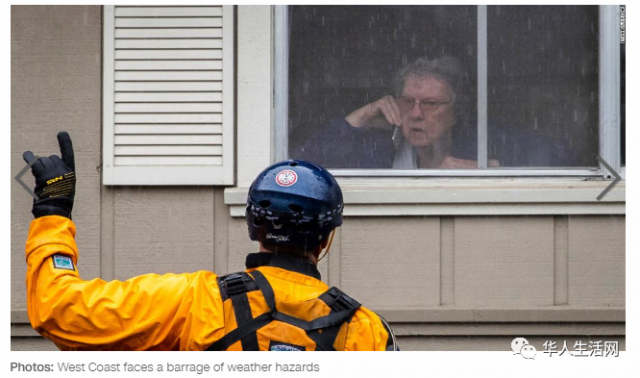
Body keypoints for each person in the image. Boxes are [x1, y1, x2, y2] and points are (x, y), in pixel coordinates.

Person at [22, 132, 398, 351]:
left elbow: (60, 311)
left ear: (254, 226)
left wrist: (53, 211)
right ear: (326, 238)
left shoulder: (196, 301)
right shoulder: (366, 330)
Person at [295, 55, 572, 169]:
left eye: (430, 104)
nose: (416, 114)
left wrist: (488, 169)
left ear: (455, 110)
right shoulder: (379, 145)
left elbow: (560, 159)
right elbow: (304, 166)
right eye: (407, 101)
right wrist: (359, 119)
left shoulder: (487, 139)